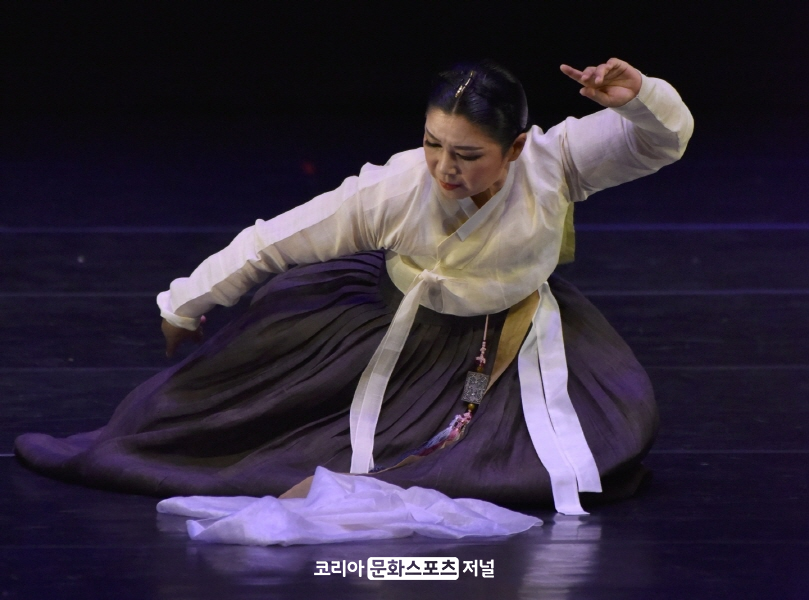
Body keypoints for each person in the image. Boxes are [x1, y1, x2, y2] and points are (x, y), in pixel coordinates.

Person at [15, 58, 693, 517]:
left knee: (603, 438)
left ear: (514, 148)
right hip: (401, 333)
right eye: (433, 143)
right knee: (223, 417)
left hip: (512, 338)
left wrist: (640, 98)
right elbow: (276, 239)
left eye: (467, 155)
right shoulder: (396, 188)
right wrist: (185, 301)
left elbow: (662, 141)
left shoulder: (555, 162)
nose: (444, 167)